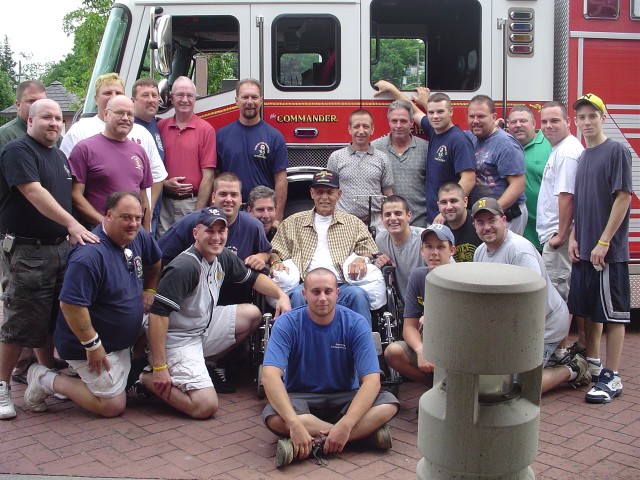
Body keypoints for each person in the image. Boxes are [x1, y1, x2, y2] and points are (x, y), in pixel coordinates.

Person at [0, 99, 99, 420]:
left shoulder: (59, 157)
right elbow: (33, 192)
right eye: (47, 117)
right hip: (28, 250)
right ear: (30, 120)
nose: (54, 123)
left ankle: (44, 373)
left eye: (58, 118)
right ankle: (1, 386)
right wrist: (73, 224)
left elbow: (65, 200)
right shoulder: (19, 151)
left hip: (58, 248)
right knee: (20, 320)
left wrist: (70, 231)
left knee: (50, 316)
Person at [141, 208, 290, 417]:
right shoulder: (185, 266)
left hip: (200, 328)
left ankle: (204, 364)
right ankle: (145, 378)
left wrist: (281, 295)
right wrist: (159, 367)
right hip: (175, 339)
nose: (216, 237)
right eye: (210, 231)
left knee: (252, 314)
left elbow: (254, 279)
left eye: (221, 231)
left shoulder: (222, 256)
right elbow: (157, 316)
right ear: (196, 234)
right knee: (205, 406)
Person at [23, 192, 161, 417]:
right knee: (112, 405)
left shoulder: (139, 236)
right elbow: (70, 305)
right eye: (126, 217)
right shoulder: (89, 255)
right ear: (107, 215)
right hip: (88, 346)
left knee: (164, 320)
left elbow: (155, 262)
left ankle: (113, 374)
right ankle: (44, 378)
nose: (134, 224)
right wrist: (92, 345)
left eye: (138, 217)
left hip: (121, 341)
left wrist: (150, 289)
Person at [261, 268, 399, 468]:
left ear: (337, 293)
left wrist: (347, 423)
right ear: (304, 294)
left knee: (389, 404)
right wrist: (293, 422)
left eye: (328, 291)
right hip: (300, 398)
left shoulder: (356, 323)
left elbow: (372, 380)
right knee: (273, 416)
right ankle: (359, 437)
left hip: (346, 397)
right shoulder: (286, 324)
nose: (323, 298)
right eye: (316, 292)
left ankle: (315, 441)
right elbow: (270, 376)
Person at [472, 197, 591, 393]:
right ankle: (552, 360)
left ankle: (572, 368)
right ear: (475, 226)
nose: (487, 227)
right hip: (512, 327)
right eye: (480, 222)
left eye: (491, 220)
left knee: (515, 387)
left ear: (503, 220)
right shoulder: (479, 252)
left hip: (543, 326)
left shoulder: (519, 251)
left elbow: (532, 302)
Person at [568, 94, 632, 404]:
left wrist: (604, 242)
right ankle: (593, 364)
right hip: (586, 248)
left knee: (613, 315)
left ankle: (613, 376)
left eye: (593, 115)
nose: (587, 122)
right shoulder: (584, 156)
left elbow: (623, 197)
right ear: (576, 122)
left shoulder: (615, 150)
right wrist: (575, 237)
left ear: (603, 118)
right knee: (589, 311)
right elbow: (582, 202)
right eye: (581, 117)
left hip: (608, 251)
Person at [269, 169, 378, 324]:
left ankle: (363, 346)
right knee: (297, 296)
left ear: (339, 194)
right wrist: (275, 262)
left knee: (358, 295)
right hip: (305, 285)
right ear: (312, 193)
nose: (324, 197)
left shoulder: (353, 223)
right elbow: (274, 251)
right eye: (320, 192)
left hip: (342, 286)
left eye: (330, 192)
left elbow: (369, 250)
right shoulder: (292, 222)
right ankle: (300, 346)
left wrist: (360, 259)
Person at [59, 73, 166, 214]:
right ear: (96, 99)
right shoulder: (79, 132)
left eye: (118, 93)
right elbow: (68, 182)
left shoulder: (141, 134)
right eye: (107, 93)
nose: (113, 96)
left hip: (133, 223)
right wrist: (102, 224)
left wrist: (146, 213)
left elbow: (156, 176)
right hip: (96, 226)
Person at [373, 81, 476, 224]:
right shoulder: (435, 132)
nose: (435, 116)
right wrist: (392, 89)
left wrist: (446, 210)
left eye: (440, 111)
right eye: (431, 112)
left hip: (448, 218)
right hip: (433, 217)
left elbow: (469, 178)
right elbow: (413, 111)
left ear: (451, 112)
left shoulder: (458, 140)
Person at [537, 101, 585, 362]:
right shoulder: (561, 149)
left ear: (568, 121)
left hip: (558, 237)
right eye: (544, 121)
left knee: (556, 297)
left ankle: (559, 353)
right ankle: (568, 349)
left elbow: (567, 196)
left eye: (554, 120)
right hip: (558, 234)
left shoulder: (566, 153)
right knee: (561, 293)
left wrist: (561, 235)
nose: (548, 126)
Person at [383, 224, 456, 387]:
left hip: (455, 348)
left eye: (440, 247)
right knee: (393, 352)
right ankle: (435, 388)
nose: (434, 253)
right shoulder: (418, 276)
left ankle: (451, 390)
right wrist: (420, 350)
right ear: (422, 251)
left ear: (452, 251)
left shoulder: (460, 278)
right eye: (429, 247)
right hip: (429, 343)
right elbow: (409, 326)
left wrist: (432, 317)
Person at [68, 95, 153, 230]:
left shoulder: (139, 151)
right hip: (97, 235)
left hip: (133, 235)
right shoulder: (85, 149)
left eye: (130, 114)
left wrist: (146, 235)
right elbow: (75, 195)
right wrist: (106, 225)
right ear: (106, 114)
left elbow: (144, 198)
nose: (125, 118)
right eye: (119, 112)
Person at [158, 173, 270, 269]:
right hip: (195, 288)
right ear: (213, 197)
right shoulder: (190, 222)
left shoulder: (253, 226)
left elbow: (266, 252)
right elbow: (159, 255)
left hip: (236, 288)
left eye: (234, 195)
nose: (228, 199)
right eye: (223, 194)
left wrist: (260, 257)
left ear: (241, 199)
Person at [216, 79, 288, 222]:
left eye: (254, 97)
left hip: (262, 213)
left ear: (261, 100)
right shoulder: (221, 136)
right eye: (245, 97)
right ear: (236, 101)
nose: (250, 102)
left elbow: (281, 180)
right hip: (231, 211)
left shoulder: (274, 137)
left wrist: (277, 217)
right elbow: (216, 176)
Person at [157, 76, 216, 235]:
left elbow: (208, 176)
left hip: (191, 203)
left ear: (195, 99)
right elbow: (152, 168)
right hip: (163, 203)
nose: (185, 100)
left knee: (188, 251)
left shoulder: (206, 130)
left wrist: (198, 214)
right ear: (171, 98)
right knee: (162, 250)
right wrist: (164, 183)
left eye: (189, 95)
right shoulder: (160, 127)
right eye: (180, 95)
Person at [466, 95, 527, 235]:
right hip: (485, 217)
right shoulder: (471, 137)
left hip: (506, 215)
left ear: (494, 117)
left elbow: (518, 185)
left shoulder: (505, 144)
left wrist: (494, 213)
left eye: (481, 116)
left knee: (504, 256)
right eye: (471, 116)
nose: (475, 121)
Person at [327, 109, 394, 225]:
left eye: (366, 126)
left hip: (375, 223)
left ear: (372, 129)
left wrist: (389, 216)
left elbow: (387, 191)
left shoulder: (382, 158)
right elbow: (329, 191)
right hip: (344, 223)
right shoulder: (336, 157)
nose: (361, 131)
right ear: (349, 129)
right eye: (356, 126)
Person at [371, 99, 428, 227]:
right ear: (389, 122)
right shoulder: (375, 148)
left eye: (403, 121)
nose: (398, 125)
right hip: (388, 224)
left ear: (412, 122)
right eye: (394, 121)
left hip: (420, 223)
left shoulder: (426, 148)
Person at [507, 105, 552, 250]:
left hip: (544, 234)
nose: (518, 125)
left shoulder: (550, 145)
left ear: (534, 124)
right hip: (515, 231)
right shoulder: (504, 145)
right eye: (513, 122)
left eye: (523, 121)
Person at [373, 195, 425, 301]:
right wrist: (377, 262)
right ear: (381, 218)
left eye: (398, 213)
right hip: (407, 307)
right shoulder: (381, 240)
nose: (393, 218)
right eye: (387, 214)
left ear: (409, 215)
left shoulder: (425, 237)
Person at [132, 78, 165, 237]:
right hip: (138, 211)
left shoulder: (158, 125)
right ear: (133, 100)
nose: (151, 100)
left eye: (154, 95)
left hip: (157, 208)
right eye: (145, 95)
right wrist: (147, 208)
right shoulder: (130, 128)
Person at [437, 182, 482, 262]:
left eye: (453, 201)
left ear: (465, 202)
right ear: (438, 205)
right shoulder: (439, 231)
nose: (449, 207)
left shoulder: (480, 222)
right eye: (444, 202)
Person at [0, 80, 47, 148]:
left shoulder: (52, 135)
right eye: (32, 101)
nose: (38, 105)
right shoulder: (5, 136)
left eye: (42, 101)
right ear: (18, 105)